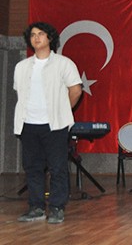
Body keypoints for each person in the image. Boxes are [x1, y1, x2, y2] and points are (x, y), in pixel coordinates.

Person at [14, 22, 82, 224]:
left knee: (57, 167)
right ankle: (36, 208)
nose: (36, 38)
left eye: (41, 34)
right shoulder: (21, 66)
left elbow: (76, 90)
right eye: (33, 35)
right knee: (32, 168)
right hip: (28, 124)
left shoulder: (64, 63)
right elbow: (21, 93)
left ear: (50, 38)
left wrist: (62, 111)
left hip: (54, 125)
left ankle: (57, 208)